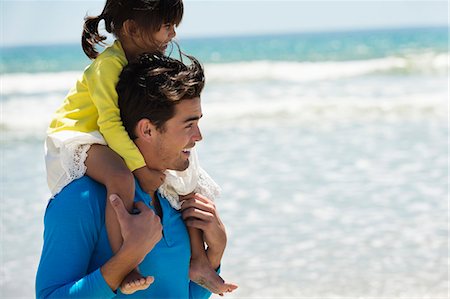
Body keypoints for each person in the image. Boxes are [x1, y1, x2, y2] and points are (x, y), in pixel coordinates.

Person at [44, 0, 234, 294]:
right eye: (188, 125)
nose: (199, 136)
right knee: (119, 175)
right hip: (77, 137)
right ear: (146, 128)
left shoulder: (171, 196)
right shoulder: (81, 200)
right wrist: (126, 259)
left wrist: (215, 253)